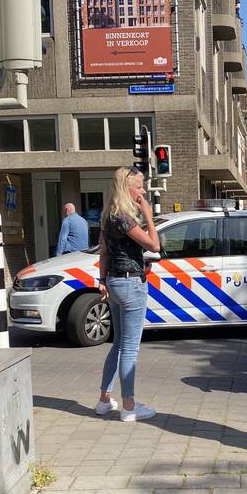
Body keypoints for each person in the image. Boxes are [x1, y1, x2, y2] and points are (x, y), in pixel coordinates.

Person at [95, 168, 160, 422]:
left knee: (119, 344)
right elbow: (154, 245)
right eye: (140, 187)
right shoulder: (124, 218)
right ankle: (129, 407)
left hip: (113, 282)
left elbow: (104, 253)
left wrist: (102, 280)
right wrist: (149, 216)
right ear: (127, 188)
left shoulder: (107, 216)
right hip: (131, 284)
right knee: (130, 349)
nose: (143, 191)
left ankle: (104, 400)